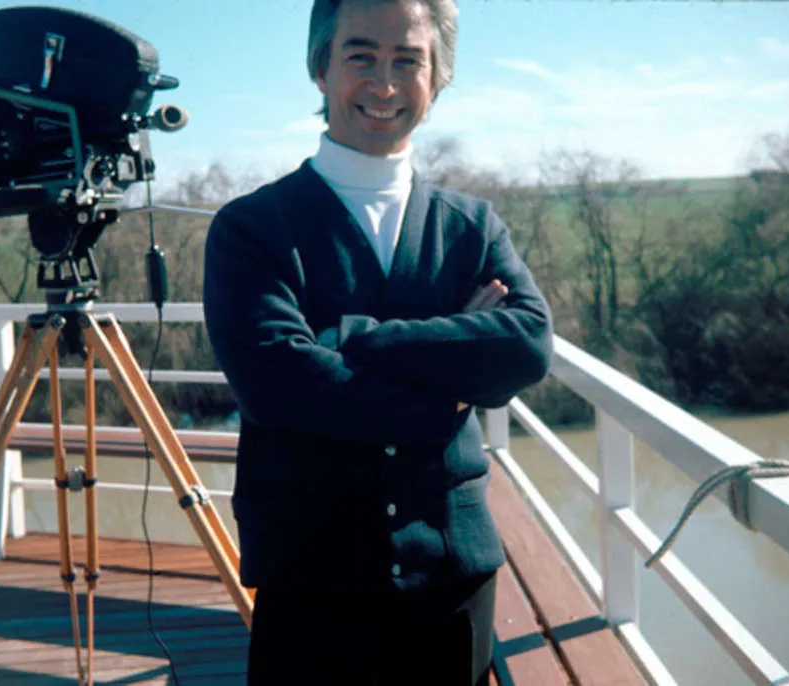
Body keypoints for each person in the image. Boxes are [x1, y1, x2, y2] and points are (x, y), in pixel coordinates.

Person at [202, 0, 553, 683]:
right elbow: (277, 384)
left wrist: (350, 339)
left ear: (438, 78)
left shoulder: (472, 226)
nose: (384, 84)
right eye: (360, 56)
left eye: (407, 60)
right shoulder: (251, 228)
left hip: (454, 582)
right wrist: (447, 394)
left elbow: (527, 346)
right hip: (310, 583)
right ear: (321, 68)